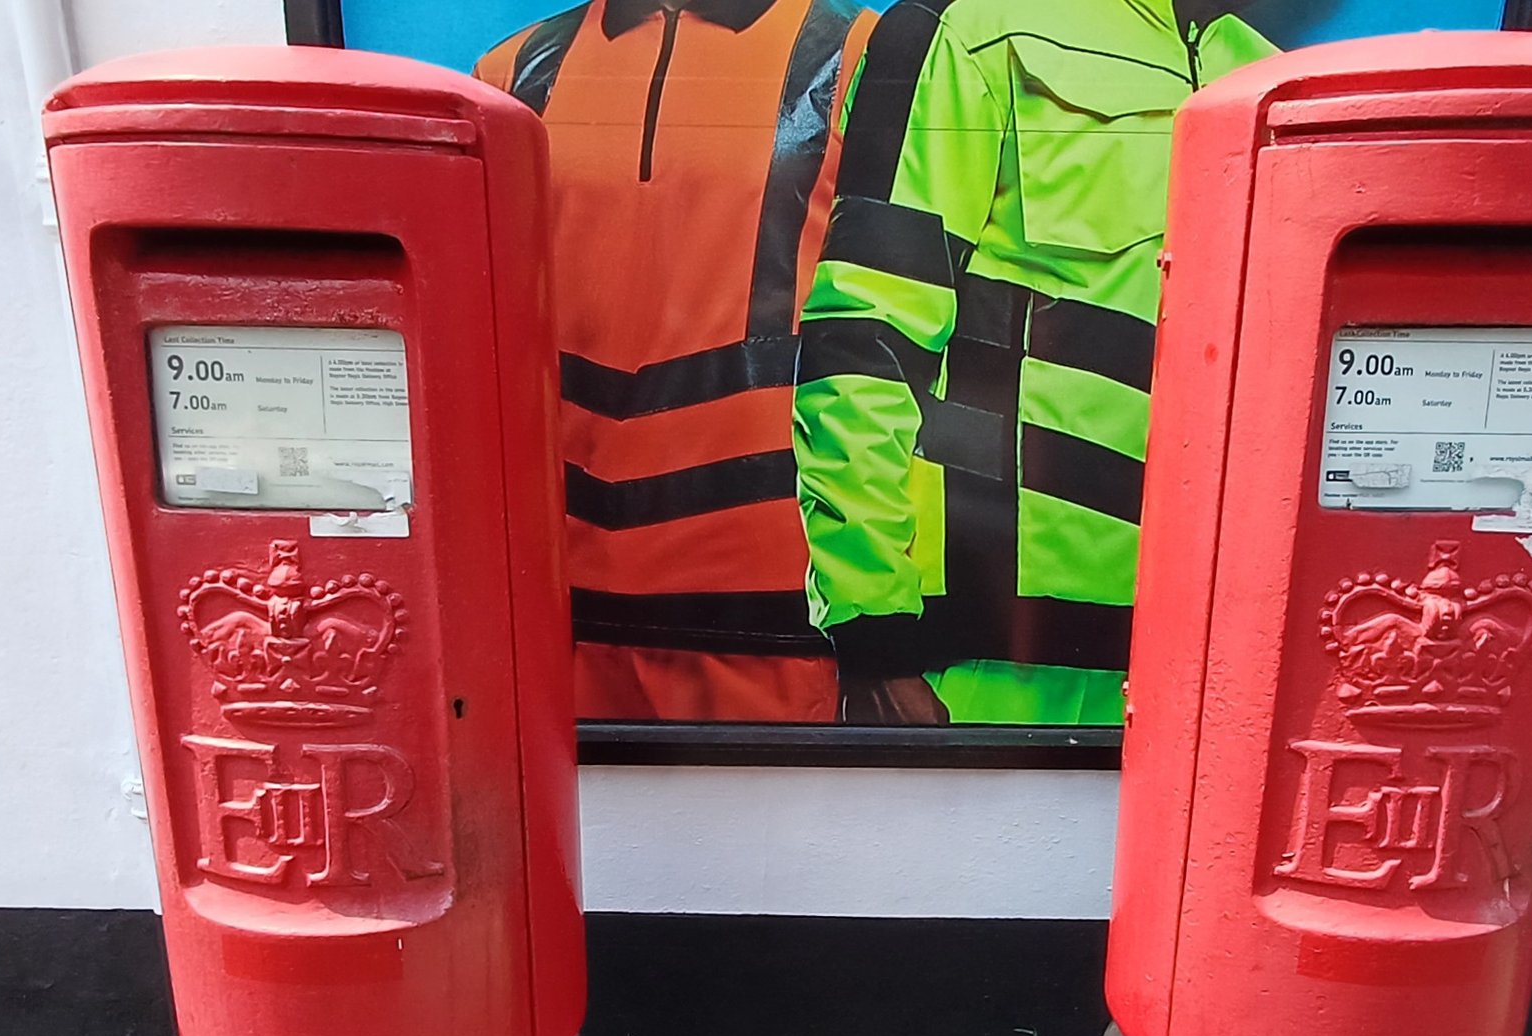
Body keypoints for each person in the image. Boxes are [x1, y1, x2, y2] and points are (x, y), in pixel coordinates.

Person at [793, 0, 1272, 724]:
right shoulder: (972, 29)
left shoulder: (1268, 73)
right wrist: (875, 631)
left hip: (1210, 679)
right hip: (987, 670)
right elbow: (865, 336)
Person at [476, 0, 877, 722]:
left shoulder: (856, 52)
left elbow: (892, 344)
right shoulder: (511, 73)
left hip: (769, 607)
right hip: (554, 600)